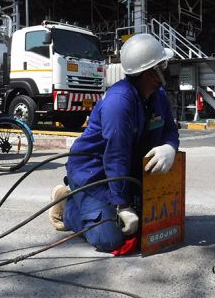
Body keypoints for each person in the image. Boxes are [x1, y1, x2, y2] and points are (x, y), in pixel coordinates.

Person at [49, 33, 180, 252]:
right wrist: (122, 205)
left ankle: (91, 204)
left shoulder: (158, 96)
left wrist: (170, 147)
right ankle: (66, 205)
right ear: (150, 72)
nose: (167, 68)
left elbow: (170, 131)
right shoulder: (119, 102)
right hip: (94, 173)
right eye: (162, 64)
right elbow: (115, 155)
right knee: (110, 237)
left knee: (155, 225)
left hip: (125, 172)